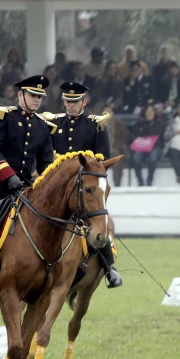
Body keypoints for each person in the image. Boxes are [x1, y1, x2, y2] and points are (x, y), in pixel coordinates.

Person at [0, 75, 56, 288]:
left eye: (39, 97)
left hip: (24, 184)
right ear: (20, 95)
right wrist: (9, 176)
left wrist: (46, 185)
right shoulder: (3, 116)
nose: (36, 100)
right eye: (33, 95)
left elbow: (45, 164)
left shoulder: (43, 127)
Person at [41, 81, 120, 288]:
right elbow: (46, 156)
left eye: (75, 101)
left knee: (99, 221)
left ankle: (109, 267)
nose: (71, 105)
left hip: (83, 189)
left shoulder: (95, 125)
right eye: (68, 101)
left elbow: (102, 162)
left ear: (84, 101)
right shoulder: (53, 123)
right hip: (57, 189)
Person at [128, 104, 166, 186]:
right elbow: (136, 134)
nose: (150, 113)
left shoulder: (160, 123)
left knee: (152, 158)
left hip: (155, 146)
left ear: (154, 113)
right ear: (144, 113)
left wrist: (145, 132)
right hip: (141, 147)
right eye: (147, 111)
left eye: (151, 111)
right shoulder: (139, 123)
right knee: (136, 158)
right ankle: (140, 180)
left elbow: (157, 133)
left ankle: (150, 180)